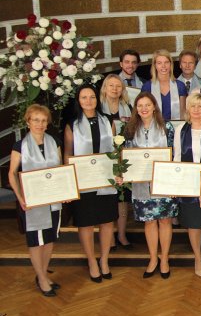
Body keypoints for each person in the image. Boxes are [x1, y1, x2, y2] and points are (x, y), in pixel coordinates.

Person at [64, 85, 119, 282]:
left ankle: (104, 259)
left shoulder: (107, 121)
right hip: (84, 181)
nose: (88, 101)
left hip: (105, 179)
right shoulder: (72, 125)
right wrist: (69, 182)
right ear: (78, 100)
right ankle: (91, 261)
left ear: (97, 98)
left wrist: (118, 171)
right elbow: (68, 154)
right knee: (86, 224)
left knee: (106, 221)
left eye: (92, 97)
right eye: (84, 97)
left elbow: (115, 150)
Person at [8, 105, 64, 297]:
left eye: (43, 120)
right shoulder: (19, 146)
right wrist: (20, 197)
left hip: (53, 200)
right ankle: (41, 278)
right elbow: (12, 173)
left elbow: (60, 171)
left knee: (49, 239)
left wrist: (65, 191)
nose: (39, 124)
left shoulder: (54, 142)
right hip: (32, 202)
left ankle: (43, 273)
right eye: (35, 120)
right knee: (36, 241)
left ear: (47, 123)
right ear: (28, 122)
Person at [122, 92, 178, 279]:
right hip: (141, 183)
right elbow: (125, 156)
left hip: (164, 182)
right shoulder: (130, 129)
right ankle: (153, 258)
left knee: (165, 220)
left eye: (147, 105)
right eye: (140, 106)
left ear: (154, 107)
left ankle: (164, 259)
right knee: (149, 222)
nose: (144, 109)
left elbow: (174, 154)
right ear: (136, 109)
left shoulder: (167, 127)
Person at [173, 93, 201, 278]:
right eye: (193, 106)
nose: (197, 110)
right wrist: (175, 185)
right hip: (188, 183)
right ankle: (198, 257)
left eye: (200, 107)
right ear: (188, 108)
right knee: (193, 223)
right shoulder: (180, 129)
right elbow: (177, 157)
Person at [99, 74, 134, 249]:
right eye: (111, 86)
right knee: (107, 198)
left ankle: (121, 234)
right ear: (105, 88)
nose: (114, 89)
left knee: (122, 198)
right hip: (104, 158)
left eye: (118, 86)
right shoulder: (98, 108)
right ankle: (110, 235)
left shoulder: (127, 107)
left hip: (123, 157)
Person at [141, 49, 187, 121]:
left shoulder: (180, 86)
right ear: (155, 65)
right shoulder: (147, 87)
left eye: (166, 62)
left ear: (171, 64)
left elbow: (182, 114)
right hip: (154, 127)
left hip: (175, 127)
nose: (163, 66)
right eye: (159, 63)